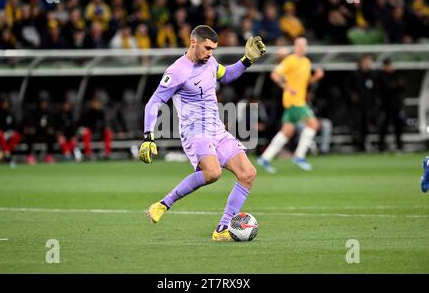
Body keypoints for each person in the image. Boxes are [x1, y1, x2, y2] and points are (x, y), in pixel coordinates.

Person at [139, 25, 266, 242]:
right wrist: (148, 136)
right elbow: (154, 102)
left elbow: (226, 76)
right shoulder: (177, 71)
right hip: (195, 131)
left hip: (216, 128)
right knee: (213, 173)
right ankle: (163, 204)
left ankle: (222, 229)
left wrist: (247, 60)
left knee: (248, 174)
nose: (210, 53)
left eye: (213, 49)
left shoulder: (210, 62)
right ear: (193, 42)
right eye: (207, 48)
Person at [257, 38, 324, 173]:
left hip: (300, 99)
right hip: (294, 100)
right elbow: (274, 75)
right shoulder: (290, 60)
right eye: (299, 45)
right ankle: (299, 156)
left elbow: (306, 82)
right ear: (295, 46)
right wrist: (286, 87)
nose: (302, 47)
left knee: (287, 132)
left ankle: (265, 158)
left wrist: (316, 77)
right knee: (313, 124)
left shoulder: (306, 62)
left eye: (304, 45)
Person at [377, 58, 405, 152]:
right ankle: (381, 146)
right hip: (385, 106)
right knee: (383, 126)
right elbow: (386, 87)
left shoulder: (397, 75)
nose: (389, 67)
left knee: (398, 126)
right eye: (387, 65)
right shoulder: (381, 76)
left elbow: (401, 87)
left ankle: (399, 145)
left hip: (396, 106)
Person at [23, 91, 56, 164]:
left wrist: (51, 128)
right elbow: (29, 122)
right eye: (43, 102)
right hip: (35, 131)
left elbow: (51, 123)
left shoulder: (49, 111)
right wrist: (30, 127)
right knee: (29, 134)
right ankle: (30, 156)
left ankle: (48, 156)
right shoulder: (33, 110)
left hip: (44, 131)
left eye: (46, 102)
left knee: (51, 135)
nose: (44, 104)